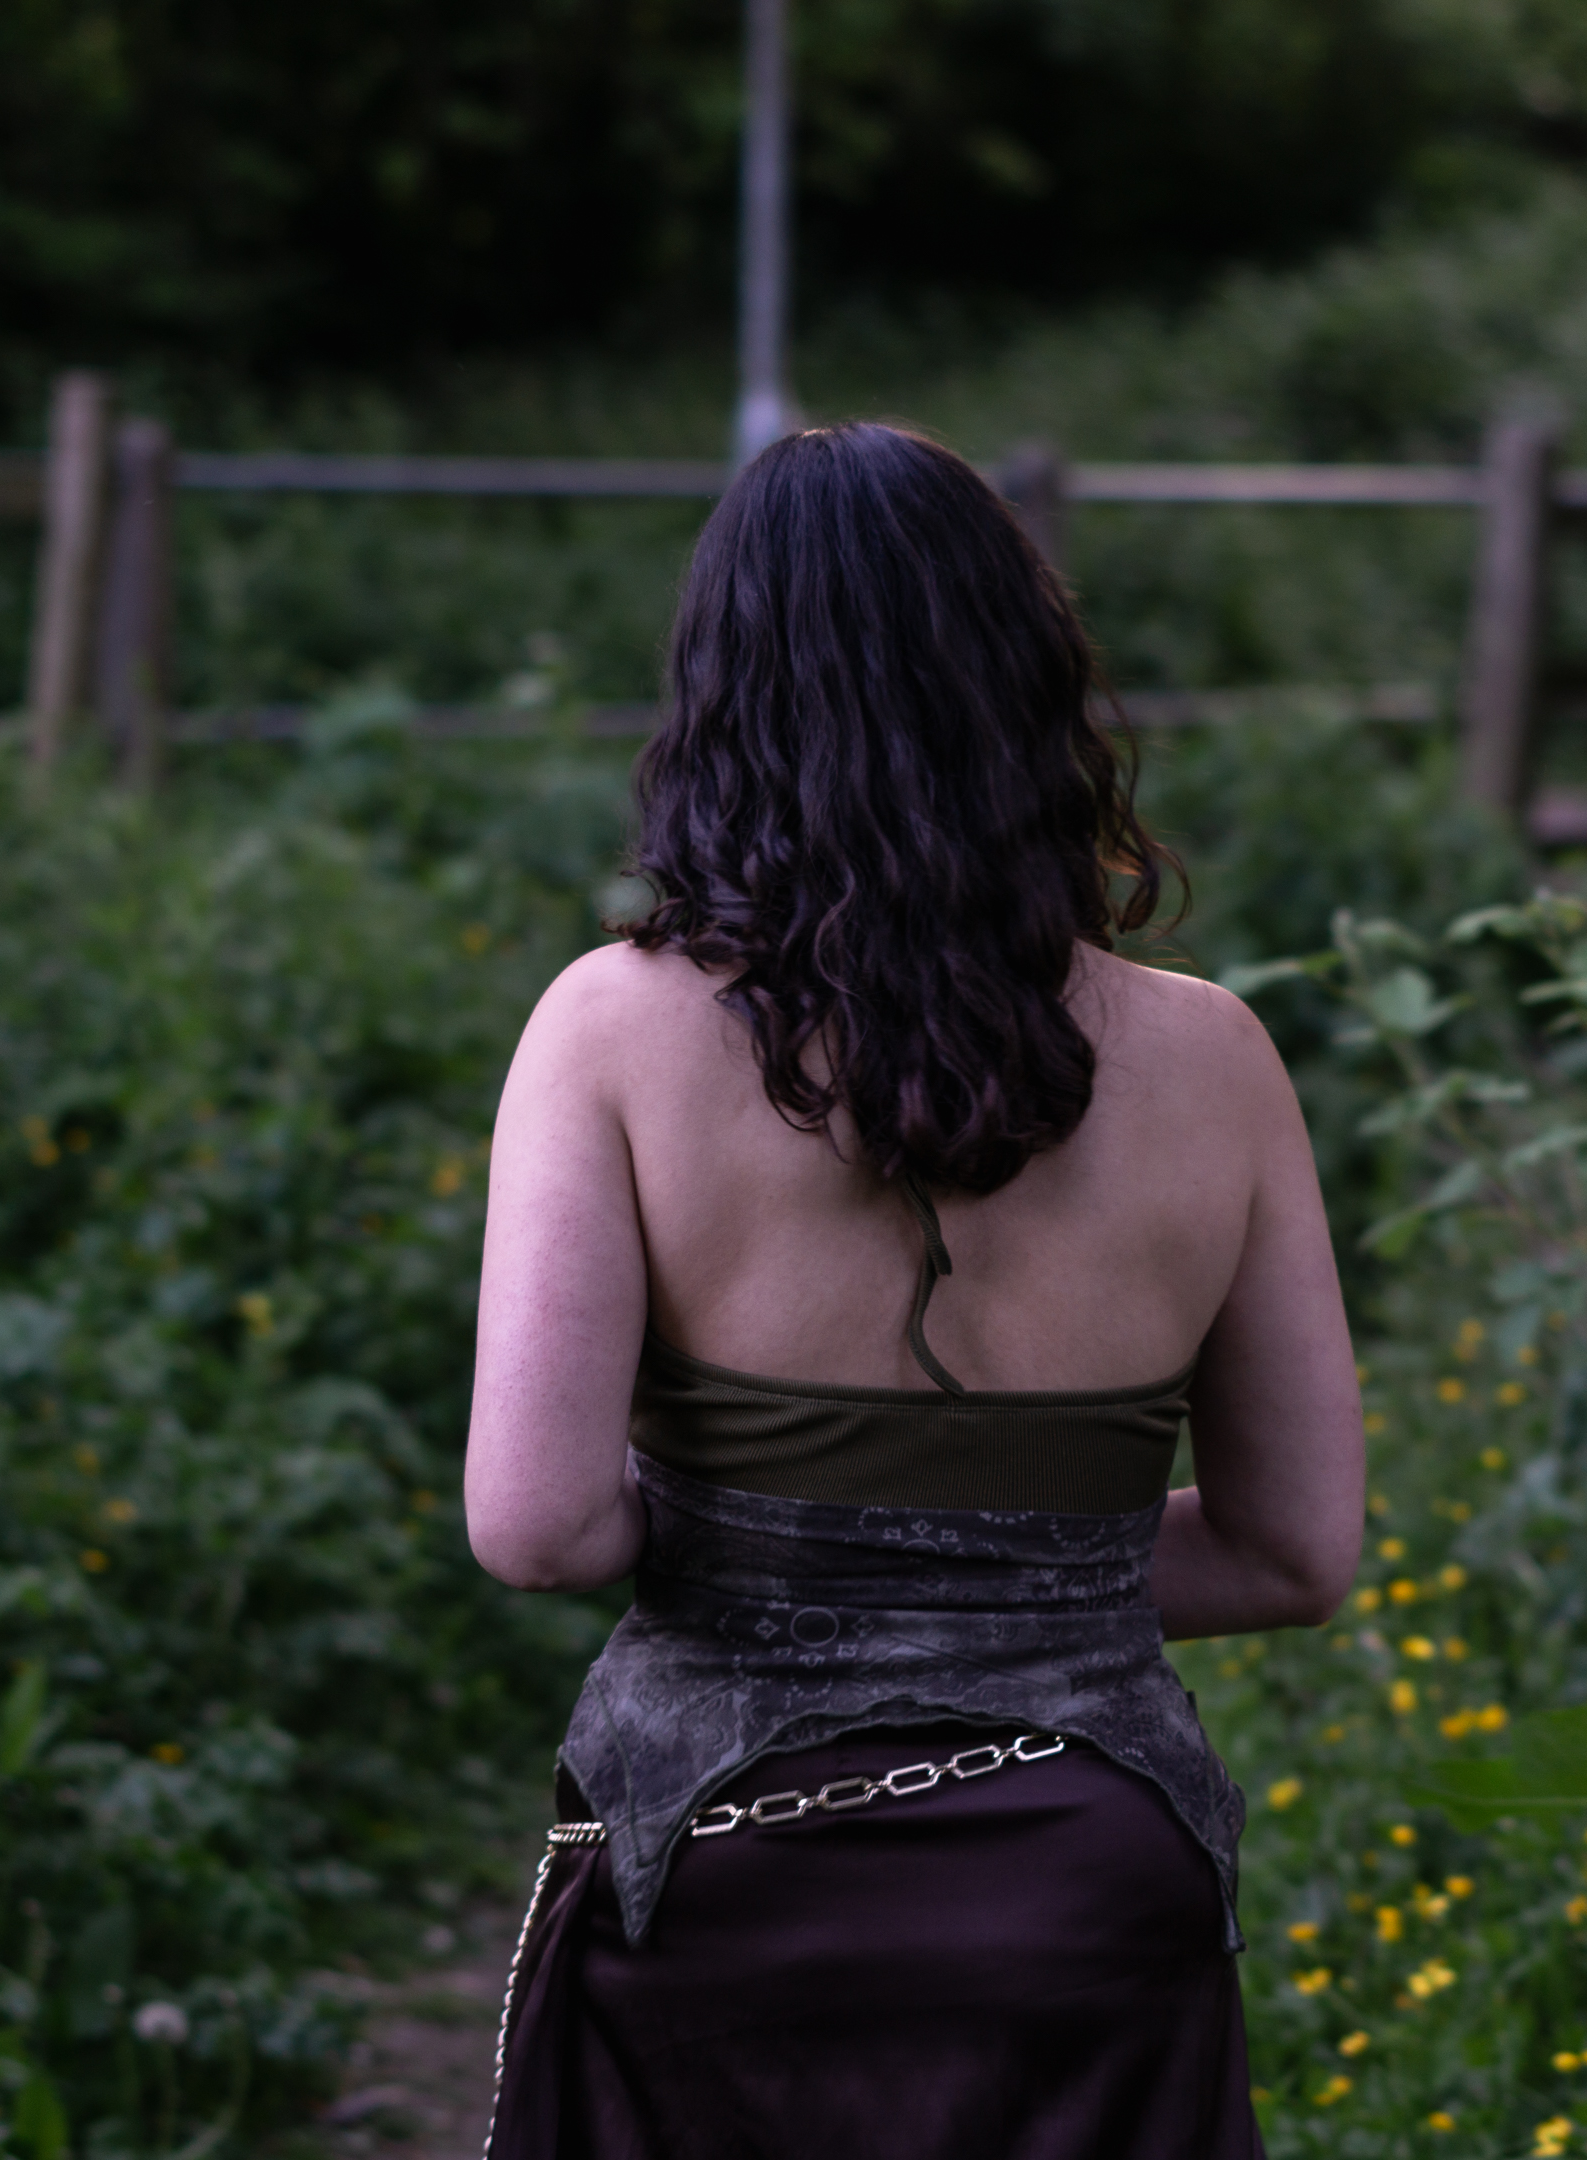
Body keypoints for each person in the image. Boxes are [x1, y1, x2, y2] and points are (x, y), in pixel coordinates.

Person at [465, 420, 1365, 2159]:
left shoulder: (610, 1031)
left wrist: (791, 1543)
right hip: (1096, 1882)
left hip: (723, 1881)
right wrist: (1023, 1572)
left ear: (723, 696)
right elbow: (1291, 1550)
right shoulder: (1217, 1060)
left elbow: (538, 1528)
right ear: (1033, 688)